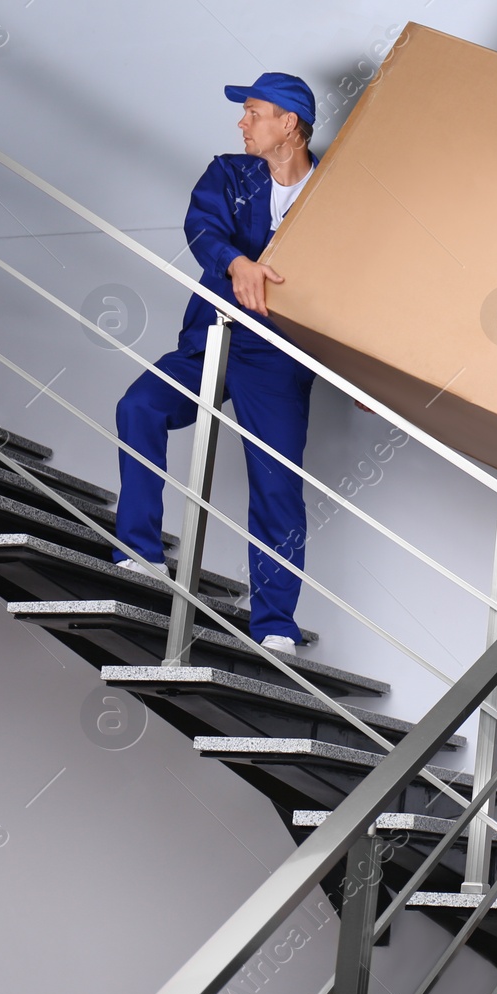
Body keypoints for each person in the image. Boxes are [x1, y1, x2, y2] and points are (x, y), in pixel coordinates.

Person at [112, 73, 319, 655]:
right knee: (140, 407)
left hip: (279, 354)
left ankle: (275, 622)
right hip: (212, 336)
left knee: (276, 484)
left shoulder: (336, 191)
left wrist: (362, 367)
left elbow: (362, 278)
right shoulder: (229, 173)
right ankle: (140, 551)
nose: (242, 122)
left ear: (289, 124)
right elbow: (202, 229)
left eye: (253, 112)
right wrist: (236, 263)